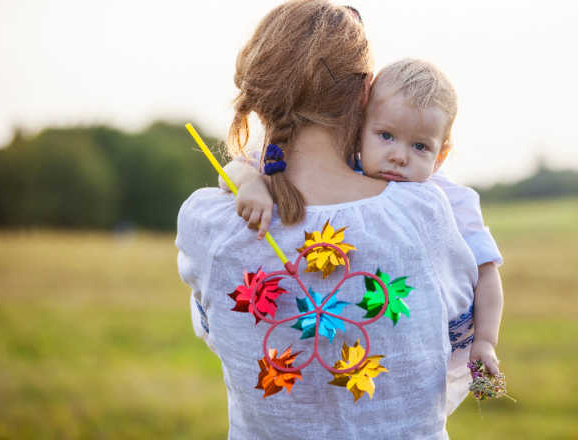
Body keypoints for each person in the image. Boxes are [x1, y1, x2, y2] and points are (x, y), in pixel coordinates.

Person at [176, 1, 485, 438]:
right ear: (364, 93)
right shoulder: (420, 214)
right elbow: (454, 340)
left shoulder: (209, 224)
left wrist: (243, 176)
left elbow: (218, 334)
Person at [223, 58, 505, 403]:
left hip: (421, 348)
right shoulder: (340, 167)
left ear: (441, 154)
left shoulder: (450, 200)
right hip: (345, 338)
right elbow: (237, 166)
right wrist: (250, 183)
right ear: (359, 128)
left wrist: (486, 341)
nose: (399, 156)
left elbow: (486, 272)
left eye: (420, 147)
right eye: (386, 136)